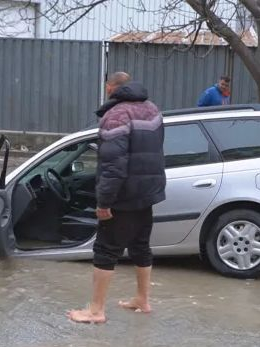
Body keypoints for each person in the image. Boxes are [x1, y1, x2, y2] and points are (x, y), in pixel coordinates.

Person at [66, 72, 166, 324]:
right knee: (140, 246)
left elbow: (113, 166)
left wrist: (104, 202)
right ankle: (142, 300)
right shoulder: (152, 109)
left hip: (123, 195)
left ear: (110, 88)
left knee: (105, 249)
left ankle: (96, 310)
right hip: (147, 192)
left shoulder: (116, 116)